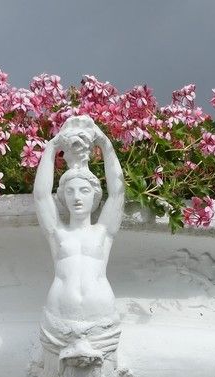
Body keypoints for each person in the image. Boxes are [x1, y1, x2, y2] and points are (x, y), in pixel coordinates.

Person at [32, 115, 125, 363]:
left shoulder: (103, 232)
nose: (77, 198)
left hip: (101, 319)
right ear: (62, 197)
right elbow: (41, 196)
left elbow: (118, 193)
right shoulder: (57, 233)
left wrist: (105, 144)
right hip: (58, 319)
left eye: (84, 191)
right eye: (70, 191)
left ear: (95, 196)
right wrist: (52, 146)